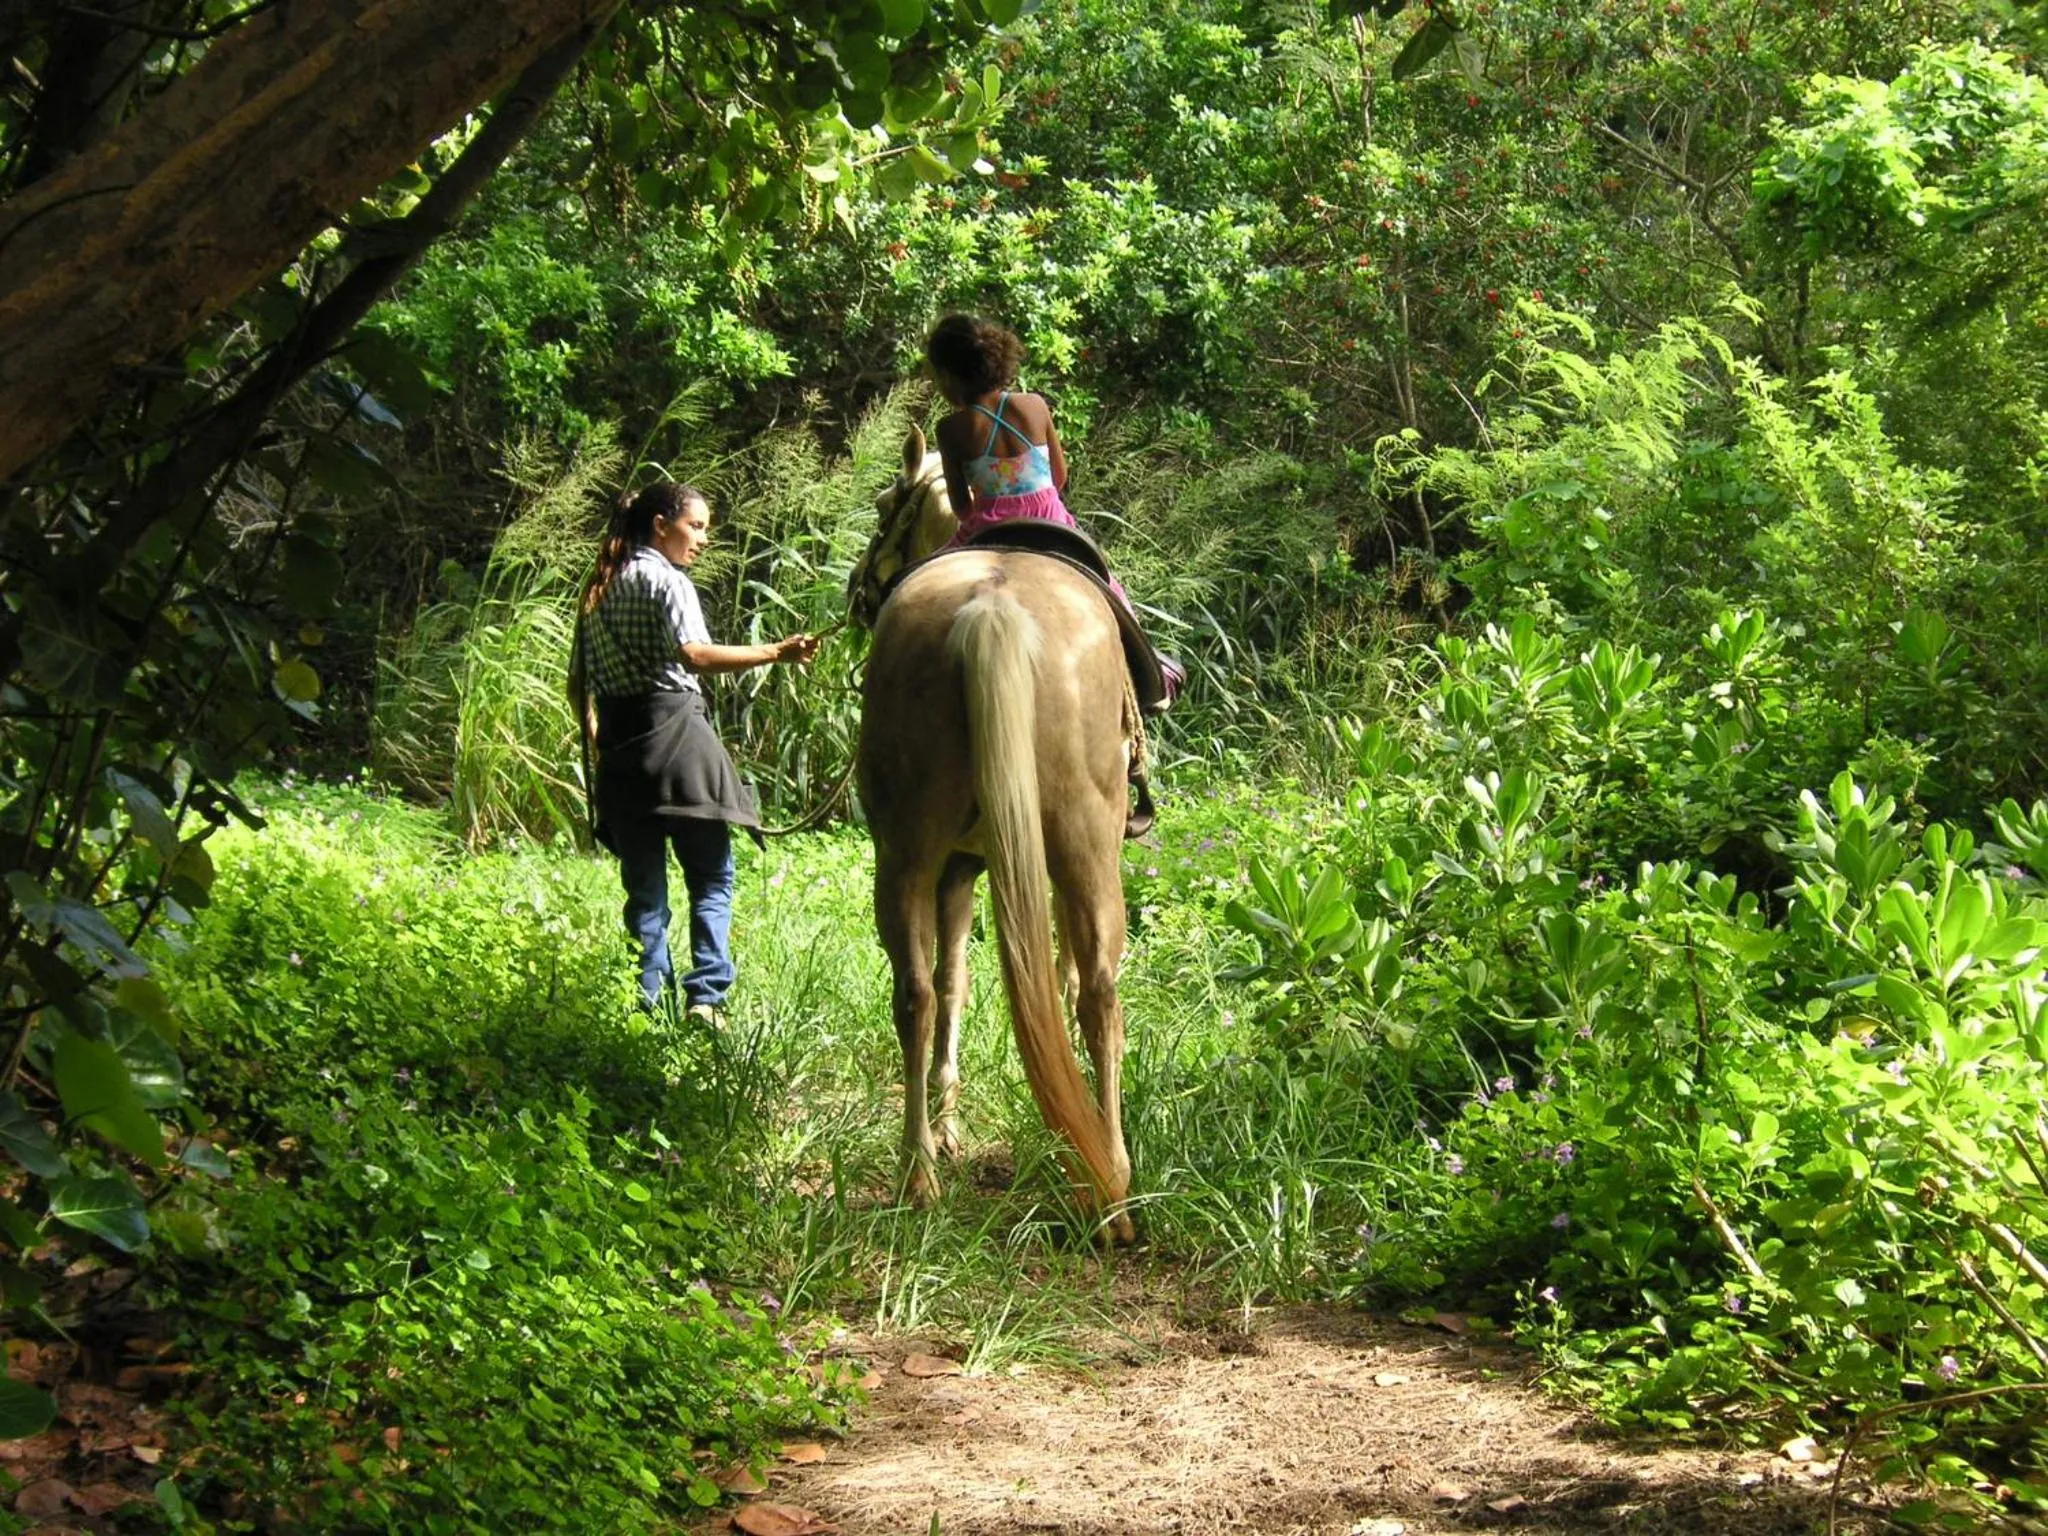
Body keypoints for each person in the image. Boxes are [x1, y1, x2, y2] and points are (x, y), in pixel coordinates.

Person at [569, 482, 818, 1018]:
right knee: (710, 875)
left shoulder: (598, 589)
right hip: (679, 744)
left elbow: (580, 684)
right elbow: (696, 655)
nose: (702, 539)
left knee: (645, 891)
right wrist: (776, 650)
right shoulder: (668, 582)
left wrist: (603, 741)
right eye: (696, 526)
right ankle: (705, 998)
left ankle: (648, 1000)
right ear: (661, 525)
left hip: (622, 755)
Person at [925, 313, 1183, 707]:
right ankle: (1149, 671)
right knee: (1111, 589)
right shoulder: (1035, 406)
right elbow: (1059, 477)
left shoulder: (951, 430)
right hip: (1048, 519)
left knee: (922, 582)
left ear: (949, 375)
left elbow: (961, 507)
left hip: (988, 527)